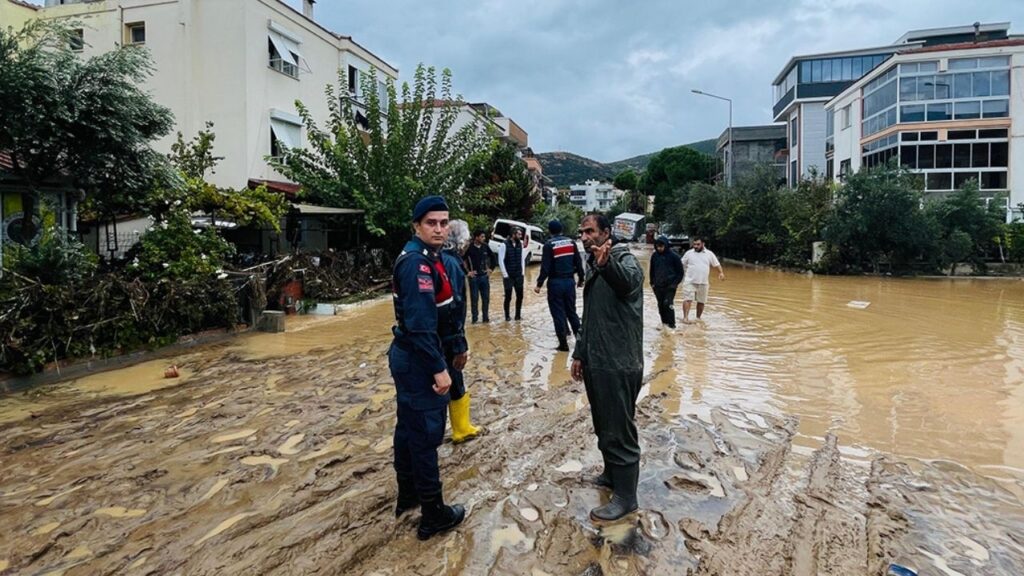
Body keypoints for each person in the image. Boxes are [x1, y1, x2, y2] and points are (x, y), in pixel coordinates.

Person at [388, 195, 465, 541]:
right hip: (420, 360)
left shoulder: (429, 257)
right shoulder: (417, 264)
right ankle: (433, 514)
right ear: (416, 226)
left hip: (414, 356)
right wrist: (439, 368)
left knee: (409, 428)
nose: (439, 229)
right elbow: (420, 325)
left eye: (444, 223)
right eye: (431, 223)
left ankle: (409, 496)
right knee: (424, 436)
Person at [571, 214, 645, 521]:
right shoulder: (594, 265)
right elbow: (589, 316)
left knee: (619, 429)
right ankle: (612, 475)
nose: (584, 237)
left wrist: (606, 264)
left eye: (590, 231)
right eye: (581, 232)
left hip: (618, 362)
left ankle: (627, 497)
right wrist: (579, 353)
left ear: (606, 232)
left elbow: (627, 284)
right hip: (597, 359)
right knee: (604, 423)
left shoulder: (624, 261)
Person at [440, 220, 481, 444]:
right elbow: (454, 306)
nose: (467, 243)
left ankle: (458, 427)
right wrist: (460, 345)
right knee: (455, 379)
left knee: (450, 380)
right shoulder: (453, 264)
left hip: (438, 335)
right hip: (448, 338)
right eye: (465, 239)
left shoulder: (439, 259)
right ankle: (461, 429)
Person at [534, 219, 584, 351]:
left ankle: (563, 344)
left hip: (555, 283)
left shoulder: (549, 245)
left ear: (549, 230)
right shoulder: (571, 243)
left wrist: (539, 284)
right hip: (570, 282)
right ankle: (581, 343)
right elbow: (578, 262)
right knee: (572, 312)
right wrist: (581, 278)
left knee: (558, 314)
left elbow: (545, 267)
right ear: (561, 229)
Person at [680, 236, 725, 324]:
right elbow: (681, 264)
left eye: (698, 244)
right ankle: (685, 318)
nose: (695, 246)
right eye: (694, 244)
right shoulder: (689, 253)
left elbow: (716, 264)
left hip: (703, 282)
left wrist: (721, 272)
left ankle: (698, 318)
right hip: (690, 281)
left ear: (703, 244)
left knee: (701, 301)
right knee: (687, 299)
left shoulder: (709, 254)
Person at [649, 235, 684, 329]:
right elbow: (652, 270)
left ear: (666, 245)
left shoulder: (674, 257)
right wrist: (652, 283)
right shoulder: (654, 256)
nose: (659, 248)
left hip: (670, 286)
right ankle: (664, 324)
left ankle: (672, 325)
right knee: (660, 305)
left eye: (661, 246)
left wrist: (674, 284)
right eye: (658, 246)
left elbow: (680, 273)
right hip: (657, 286)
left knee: (668, 304)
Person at [497, 226, 527, 321]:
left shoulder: (520, 244)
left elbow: (522, 259)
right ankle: (507, 316)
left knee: (520, 296)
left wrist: (522, 272)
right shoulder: (504, 245)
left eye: (521, 234)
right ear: (513, 234)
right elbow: (500, 260)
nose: (520, 236)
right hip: (508, 276)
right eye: (519, 234)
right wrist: (505, 274)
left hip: (518, 275)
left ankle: (518, 316)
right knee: (508, 297)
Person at [464, 230, 493, 324]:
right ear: (476, 237)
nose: (484, 238)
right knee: (474, 299)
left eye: (484, 237)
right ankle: (474, 319)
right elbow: (461, 260)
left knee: (486, 298)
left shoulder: (485, 246)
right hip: (474, 278)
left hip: (484, 276)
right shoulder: (469, 247)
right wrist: (467, 272)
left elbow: (493, 257)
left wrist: (491, 269)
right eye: (482, 237)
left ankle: (485, 319)